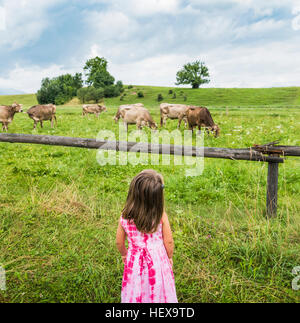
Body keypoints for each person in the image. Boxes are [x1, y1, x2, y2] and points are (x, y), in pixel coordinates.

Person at [116, 169, 178, 303]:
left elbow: (119, 242)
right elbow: (169, 242)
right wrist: (170, 257)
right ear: (157, 198)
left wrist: (124, 254)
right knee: (159, 287)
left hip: (134, 260)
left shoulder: (125, 216)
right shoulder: (160, 216)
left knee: (135, 285)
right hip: (158, 261)